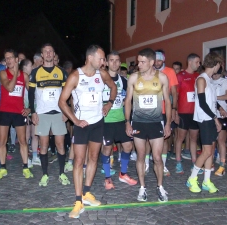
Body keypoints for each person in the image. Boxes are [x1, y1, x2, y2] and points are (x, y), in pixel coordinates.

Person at [58, 45, 117, 218]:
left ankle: (87, 193)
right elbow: (62, 101)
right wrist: (74, 120)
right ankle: (78, 201)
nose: (104, 61)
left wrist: (109, 103)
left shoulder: (102, 74)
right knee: (78, 161)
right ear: (90, 58)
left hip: (98, 123)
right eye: (101, 58)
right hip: (82, 125)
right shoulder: (76, 76)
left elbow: (113, 87)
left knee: (93, 158)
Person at [124, 48, 171, 202]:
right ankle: (142, 187)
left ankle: (160, 186)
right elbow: (128, 102)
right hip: (138, 122)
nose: (139, 64)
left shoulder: (162, 78)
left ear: (151, 62)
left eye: (143, 62)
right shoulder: (133, 78)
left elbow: (168, 102)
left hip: (156, 121)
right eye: (138, 61)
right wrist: (127, 122)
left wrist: (168, 123)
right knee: (141, 156)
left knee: (157, 157)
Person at [29, 43, 70, 186]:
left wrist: (67, 111)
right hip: (42, 113)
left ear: (54, 54)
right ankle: (45, 174)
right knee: (44, 144)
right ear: (42, 55)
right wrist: (33, 112)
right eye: (45, 51)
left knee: (60, 145)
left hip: (58, 112)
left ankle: (62, 173)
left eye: (50, 51)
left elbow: (67, 94)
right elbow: (30, 94)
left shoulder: (62, 72)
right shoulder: (35, 73)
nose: (48, 54)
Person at [186, 52, 223, 193]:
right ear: (216, 64)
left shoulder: (209, 80)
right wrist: (215, 118)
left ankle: (207, 181)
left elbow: (211, 101)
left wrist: (218, 112)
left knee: (211, 151)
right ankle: (192, 178)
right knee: (206, 151)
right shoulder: (201, 79)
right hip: (205, 119)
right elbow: (202, 103)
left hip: (210, 118)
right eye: (220, 64)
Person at [101, 51, 137, 190]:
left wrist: (128, 120)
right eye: (111, 60)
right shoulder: (101, 79)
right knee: (107, 149)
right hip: (106, 121)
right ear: (106, 62)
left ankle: (123, 174)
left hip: (121, 120)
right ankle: (108, 178)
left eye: (117, 60)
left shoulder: (124, 81)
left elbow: (127, 102)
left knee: (128, 146)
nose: (114, 63)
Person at [0, 49, 32, 179]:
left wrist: (30, 108)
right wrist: (15, 74)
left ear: (17, 60)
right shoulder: (3, 73)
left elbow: (32, 95)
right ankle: (3, 167)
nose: (9, 60)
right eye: (6, 58)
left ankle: (26, 167)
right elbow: (9, 87)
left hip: (18, 112)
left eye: (11, 58)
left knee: (22, 141)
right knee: (2, 141)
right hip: (4, 111)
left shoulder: (25, 76)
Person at [174, 54, 200, 173]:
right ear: (190, 62)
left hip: (196, 113)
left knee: (194, 138)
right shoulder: (180, 76)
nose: (199, 65)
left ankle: (194, 163)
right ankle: (178, 161)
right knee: (181, 138)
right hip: (183, 112)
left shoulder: (198, 76)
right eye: (197, 62)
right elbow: (175, 95)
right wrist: (175, 112)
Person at [211, 67, 227, 176]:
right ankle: (211, 164)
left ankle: (222, 165)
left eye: (217, 74)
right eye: (214, 74)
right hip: (210, 114)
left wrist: (214, 97)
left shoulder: (224, 81)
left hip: (221, 115)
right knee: (212, 141)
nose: (215, 77)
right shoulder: (208, 81)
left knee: (221, 141)